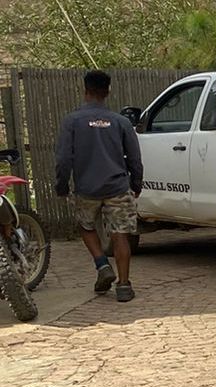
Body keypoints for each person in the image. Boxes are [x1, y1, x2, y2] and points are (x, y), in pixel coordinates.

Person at [55, 69, 142, 302]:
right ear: (107, 92)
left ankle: (102, 265)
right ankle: (123, 286)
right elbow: (134, 157)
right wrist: (137, 183)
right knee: (120, 234)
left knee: (85, 226)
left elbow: (64, 159)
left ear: (85, 91)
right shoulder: (120, 122)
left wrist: (62, 185)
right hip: (118, 188)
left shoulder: (72, 121)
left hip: (87, 189)